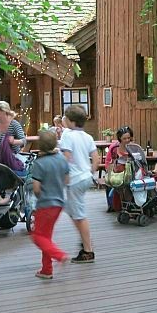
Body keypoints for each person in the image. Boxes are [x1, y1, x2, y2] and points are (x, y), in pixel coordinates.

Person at [59, 105, 99, 263]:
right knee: (72, 209)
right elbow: (96, 159)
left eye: (65, 118)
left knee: (79, 215)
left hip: (74, 179)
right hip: (85, 177)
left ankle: (88, 250)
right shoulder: (87, 137)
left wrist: (64, 176)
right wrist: (90, 173)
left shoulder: (67, 135)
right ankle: (85, 239)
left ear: (71, 121)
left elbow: (66, 158)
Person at [30, 130, 70, 279]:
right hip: (59, 203)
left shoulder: (39, 163)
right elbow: (67, 180)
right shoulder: (61, 159)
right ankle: (47, 270)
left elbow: (36, 188)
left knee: (37, 236)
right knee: (46, 237)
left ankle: (60, 256)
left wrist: (39, 196)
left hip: (45, 204)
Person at [103, 126, 141, 212]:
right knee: (115, 182)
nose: (127, 140)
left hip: (131, 173)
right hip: (117, 173)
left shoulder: (134, 147)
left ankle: (130, 204)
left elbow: (139, 161)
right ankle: (116, 205)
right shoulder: (114, 147)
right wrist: (109, 172)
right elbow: (108, 162)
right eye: (124, 138)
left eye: (129, 138)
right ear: (120, 138)